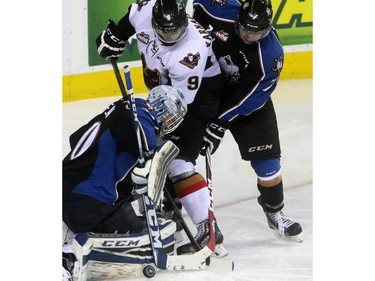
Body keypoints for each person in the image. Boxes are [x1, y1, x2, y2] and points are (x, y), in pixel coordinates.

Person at [95, 0, 227, 256]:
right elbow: (131, 18)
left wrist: (151, 129)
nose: (169, 36)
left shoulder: (191, 51)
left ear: (184, 23)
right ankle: (166, 211)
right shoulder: (147, 8)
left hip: (199, 97)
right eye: (163, 30)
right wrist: (116, 37)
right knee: (149, 150)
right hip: (165, 91)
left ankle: (207, 228)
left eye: (174, 31)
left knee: (174, 160)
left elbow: (177, 106)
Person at [193, 0, 303, 242]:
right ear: (238, 18)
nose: (248, 36)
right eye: (244, 29)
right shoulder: (221, 10)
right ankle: (170, 211)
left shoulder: (271, 55)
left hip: (247, 102)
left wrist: (219, 124)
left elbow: (247, 99)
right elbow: (199, 7)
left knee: (268, 165)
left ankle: (275, 213)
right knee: (183, 154)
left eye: (257, 33)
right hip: (209, 89)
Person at [62, 85, 187, 280]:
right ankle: (70, 254)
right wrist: (148, 155)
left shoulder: (123, 109)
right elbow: (144, 153)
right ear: (162, 108)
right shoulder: (142, 118)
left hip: (67, 186)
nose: (170, 124)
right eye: (171, 117)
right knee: (135, 231)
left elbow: (75, 138)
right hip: (88, 201)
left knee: (124, 207)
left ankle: (69, 240)